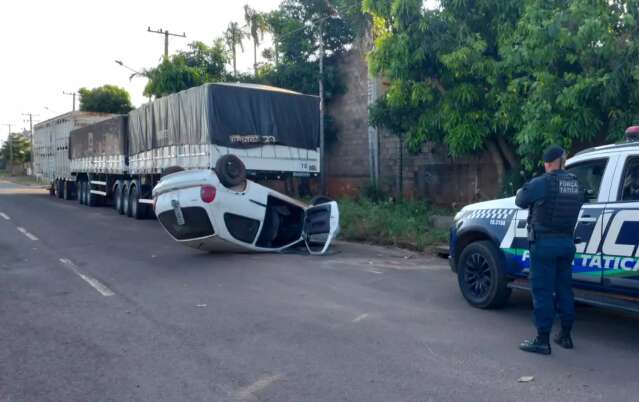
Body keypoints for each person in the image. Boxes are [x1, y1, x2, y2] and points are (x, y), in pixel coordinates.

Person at [515, 145, 584, 355]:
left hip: (545, 244)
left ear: (548, 163)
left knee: (543, 292)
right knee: (564, 290)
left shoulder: (543, 182)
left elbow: (520, 200)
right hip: (566, 244)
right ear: (564, 160)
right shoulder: (575, 183)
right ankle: (566, 335)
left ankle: (542, 340)